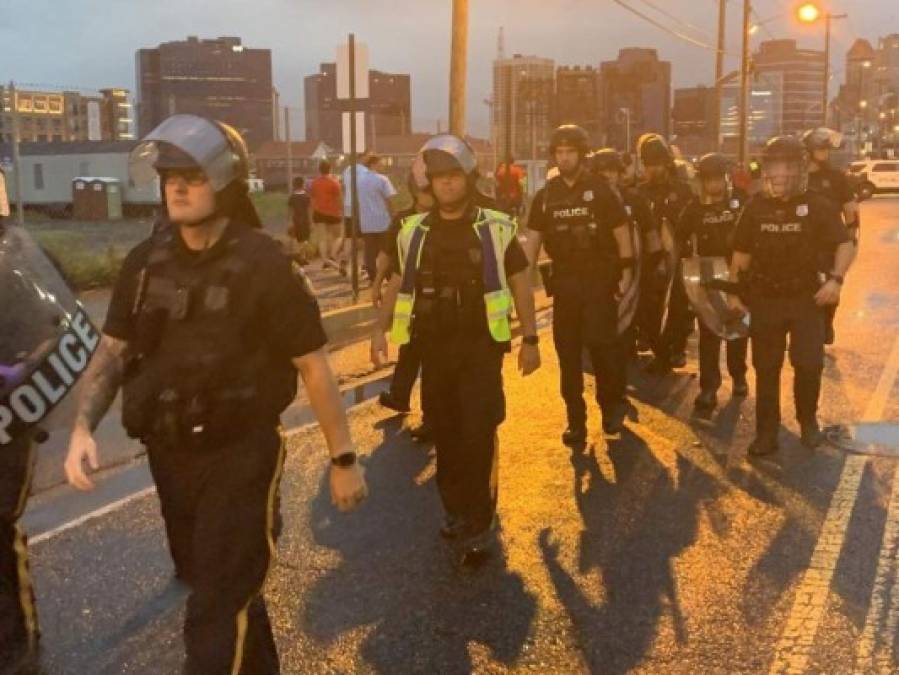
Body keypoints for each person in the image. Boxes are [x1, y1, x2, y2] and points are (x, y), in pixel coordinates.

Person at [64, 114, 369, 674]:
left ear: (225, 183)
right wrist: (82, 428)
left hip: (242, 455)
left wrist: (343, 458)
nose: (176, 186)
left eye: (192, 175)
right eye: (168, 176)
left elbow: (314, 366)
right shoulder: (143, 263)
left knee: (215, 605)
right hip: (171, 454)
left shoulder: (264, 264)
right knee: (220, 585)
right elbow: (111, 353)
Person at [371, 134, 540, 565]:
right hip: (434, 348)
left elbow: (521, 280)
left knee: (478, 428)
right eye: (438, 178)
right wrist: (379, 330)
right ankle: (454, 508)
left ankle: (479, 515)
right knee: (445, 431)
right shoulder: (414, 231)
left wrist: (531, 339)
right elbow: (397, 283)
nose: (445, 185)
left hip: (481, 347)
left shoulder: (495, 225)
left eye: (453, 177)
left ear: (468, 178)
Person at [728, 135, 854, 457]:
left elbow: (844, 243)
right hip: (765, 298)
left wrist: (836, 281)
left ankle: (808, 421)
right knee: (766, 367)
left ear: (799, 169)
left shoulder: (817, 205)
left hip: (806, 300)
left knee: (809, 364)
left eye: (786, 166)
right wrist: (734, 294)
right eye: (773, 166)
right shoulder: (755, 207)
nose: (779, 174)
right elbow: (740, 255)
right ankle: (766, 433)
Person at [523, 126, 635, 445]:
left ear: (582, 155)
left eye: (570, 152)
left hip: (600, 280)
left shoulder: (600, 189)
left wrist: (626, 272)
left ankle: (611, 407)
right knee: (567, 354)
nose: (564, 157)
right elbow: (532, 242)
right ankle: (576, 420)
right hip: (566, 284)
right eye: (559, 152)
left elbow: (621, 231)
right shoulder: (545, 197)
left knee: (603, 349)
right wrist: (522, 279)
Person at [678, 153, 749, 423]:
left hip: (737, 274)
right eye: (708, 179)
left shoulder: (740, 203)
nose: (714, 184)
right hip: (707, 277)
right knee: (709, 332)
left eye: (717, 178)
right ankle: (709, 388)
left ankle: (739, 374)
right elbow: (679, 237)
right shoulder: (694, 208)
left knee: (738, 328)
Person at [374, 166, 435, 443]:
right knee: (409, 346)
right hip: (409, 297)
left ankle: (432, 416)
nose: (428, 194)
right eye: (423, 189)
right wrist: (376, 284)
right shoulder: (402, 221)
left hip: (439, 299)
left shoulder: (446, 219)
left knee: (434, 359)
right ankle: (400, 395)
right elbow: (387, 257)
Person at [592, 147, 662, 358]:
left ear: (620, 172)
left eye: (612, 170)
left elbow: (651, 234)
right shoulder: (587, 201)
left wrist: (655, 265)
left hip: (633, 269)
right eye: (602, 170)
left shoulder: (634, 200)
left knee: (636, 313)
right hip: (598, 269)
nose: (607, 175)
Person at [636, 133, 696, 373]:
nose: (653, 170)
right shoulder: (640, 192)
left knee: (679, 307)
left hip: (679, 257)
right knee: (649, 309)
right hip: (650, 261)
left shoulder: (683, 191)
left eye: (657, 164)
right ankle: (660, 351)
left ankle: (676, 349)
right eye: (648, 164)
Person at [803, 127, 860, 345]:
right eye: (820, 149)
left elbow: (850, 209)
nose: (825, 153)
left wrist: (851, 235)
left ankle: (827, 323)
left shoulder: (836, 177)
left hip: (830, 242)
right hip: (801, 240)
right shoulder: (797, 176)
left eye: (827, 149)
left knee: (831, 285)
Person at [343, 153, 397, 283]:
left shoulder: (359, 181)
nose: (383, 166)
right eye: (381, 163)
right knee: (387, 250)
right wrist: (393, 215)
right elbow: (389, 200)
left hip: (366, 222)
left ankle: (373, 277)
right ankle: (389, 276)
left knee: (370, 252)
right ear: (373, 164)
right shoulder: (382, 179)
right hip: (383, 221)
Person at [309, 160, 345, 272]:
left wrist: (312, 212)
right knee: (338, 236)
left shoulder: (314, 183)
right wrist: (342, 211)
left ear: (319, 170)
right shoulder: (335, 182)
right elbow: (339, 199)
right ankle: (332, 256)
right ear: (330, 169)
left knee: (322, 238)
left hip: (318, 213)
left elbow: (312, 198)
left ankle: (325, 260)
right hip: (333, 213)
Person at [286, 176, 311, 265]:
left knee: (299, 240)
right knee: (305, 240)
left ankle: (301, 257)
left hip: (295, 221)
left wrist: (289, 221)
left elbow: (290, 210)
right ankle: (301, 256)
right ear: (303, 184)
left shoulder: (292, 197)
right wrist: (311, 222)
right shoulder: (307, 196)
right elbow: (309, 210)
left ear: (294, 185)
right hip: (305, 221)